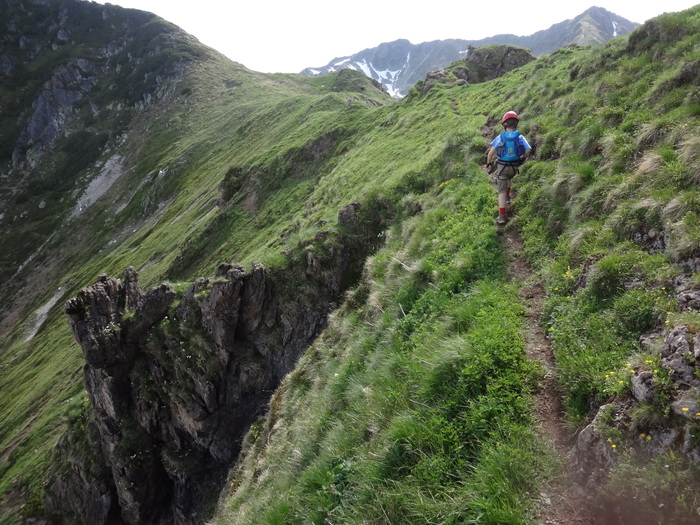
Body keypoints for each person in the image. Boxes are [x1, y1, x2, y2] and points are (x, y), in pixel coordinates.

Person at [485, 111, 532, 225]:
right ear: (516, 124)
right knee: (509, 179)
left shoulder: (500, 137)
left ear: (504, 124)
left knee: (500, 191)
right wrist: (522, 157)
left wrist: (489, 163)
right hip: (514, 168)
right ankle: (508, 197)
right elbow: (528, 149)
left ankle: (502, 216)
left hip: (502, 168)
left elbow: (491, 153)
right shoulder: (520, 137)